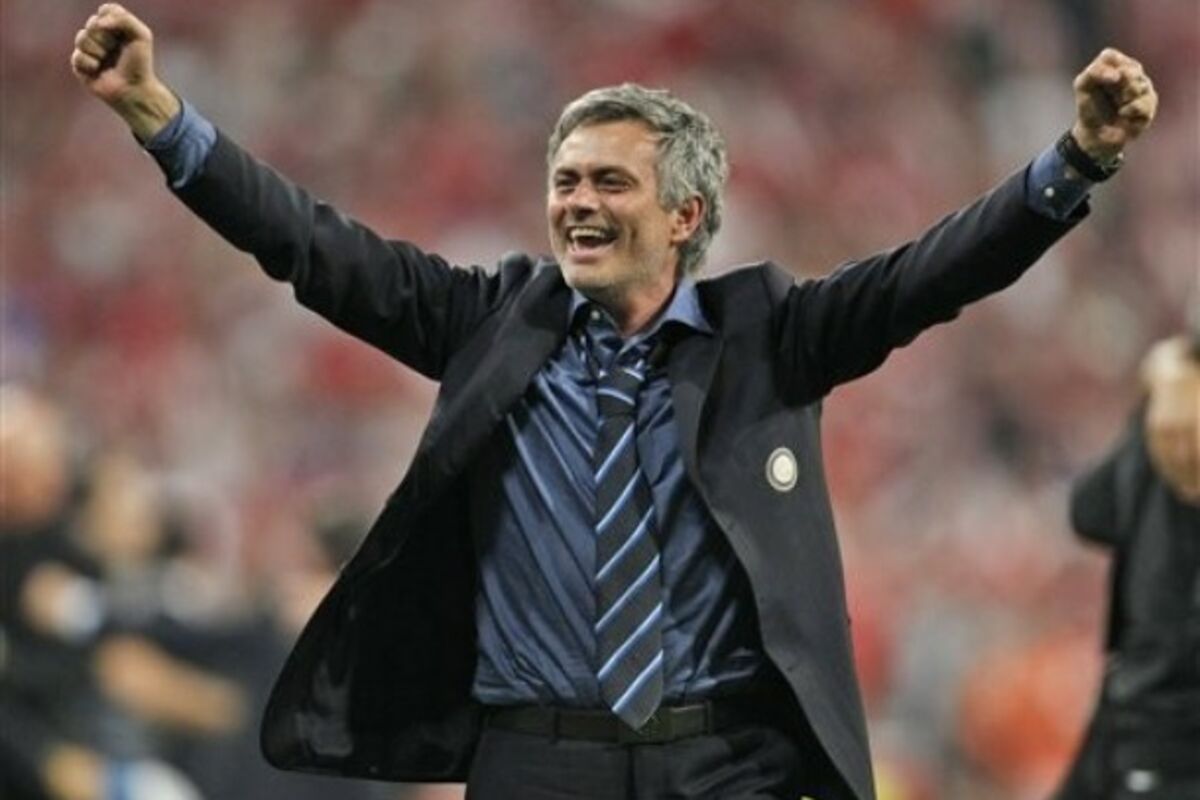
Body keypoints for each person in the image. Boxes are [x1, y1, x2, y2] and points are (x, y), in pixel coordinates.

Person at [69, 4, 1158, 798]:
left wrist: (1073, 164)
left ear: (685, 215)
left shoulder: (771, 334)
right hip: (539, 761)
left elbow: (931, 274)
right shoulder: (488, 321)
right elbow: (315, 248)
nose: (576, 203)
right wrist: (163, 119)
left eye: (609, 181)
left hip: (726, 759)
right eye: (565, 181)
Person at [1055, 334, 1200, 799]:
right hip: (1155, 734)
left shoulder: (1170, 411)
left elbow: (1089, 511)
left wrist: (1159, 397)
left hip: (1147, 726)